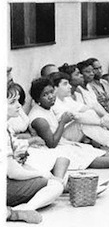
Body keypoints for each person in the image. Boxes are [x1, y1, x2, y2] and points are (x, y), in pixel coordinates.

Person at [29, 77, 109, 170]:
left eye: (51, 92)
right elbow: (52, 144)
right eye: (45, 95)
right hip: (51, 149)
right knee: (83, 156)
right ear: (37, 99)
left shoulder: (47, 107)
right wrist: (63, 122)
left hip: (61, 142)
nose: (50, 96)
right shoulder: (39, 119)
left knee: (89, 150)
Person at [7, 85, 69, 215]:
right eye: (13, 102)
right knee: (54, 185)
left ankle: (60, 184)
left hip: (9, 176)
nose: (19, 106)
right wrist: (41, 175)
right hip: (6, 184)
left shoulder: (6, 126)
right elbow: (13, 173)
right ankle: (23, 210)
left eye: (19, 101)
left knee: (48, 172)